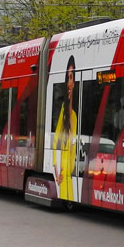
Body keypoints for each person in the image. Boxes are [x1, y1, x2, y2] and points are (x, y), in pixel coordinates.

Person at [53, 57, 77, 199]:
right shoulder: (62, 111)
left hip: (70, 172)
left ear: (73, 83)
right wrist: (58, 173)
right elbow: (56, 141)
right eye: (68, 77)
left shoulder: (74, 115)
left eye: (72, 77)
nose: (70, 81)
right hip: (63, 172)